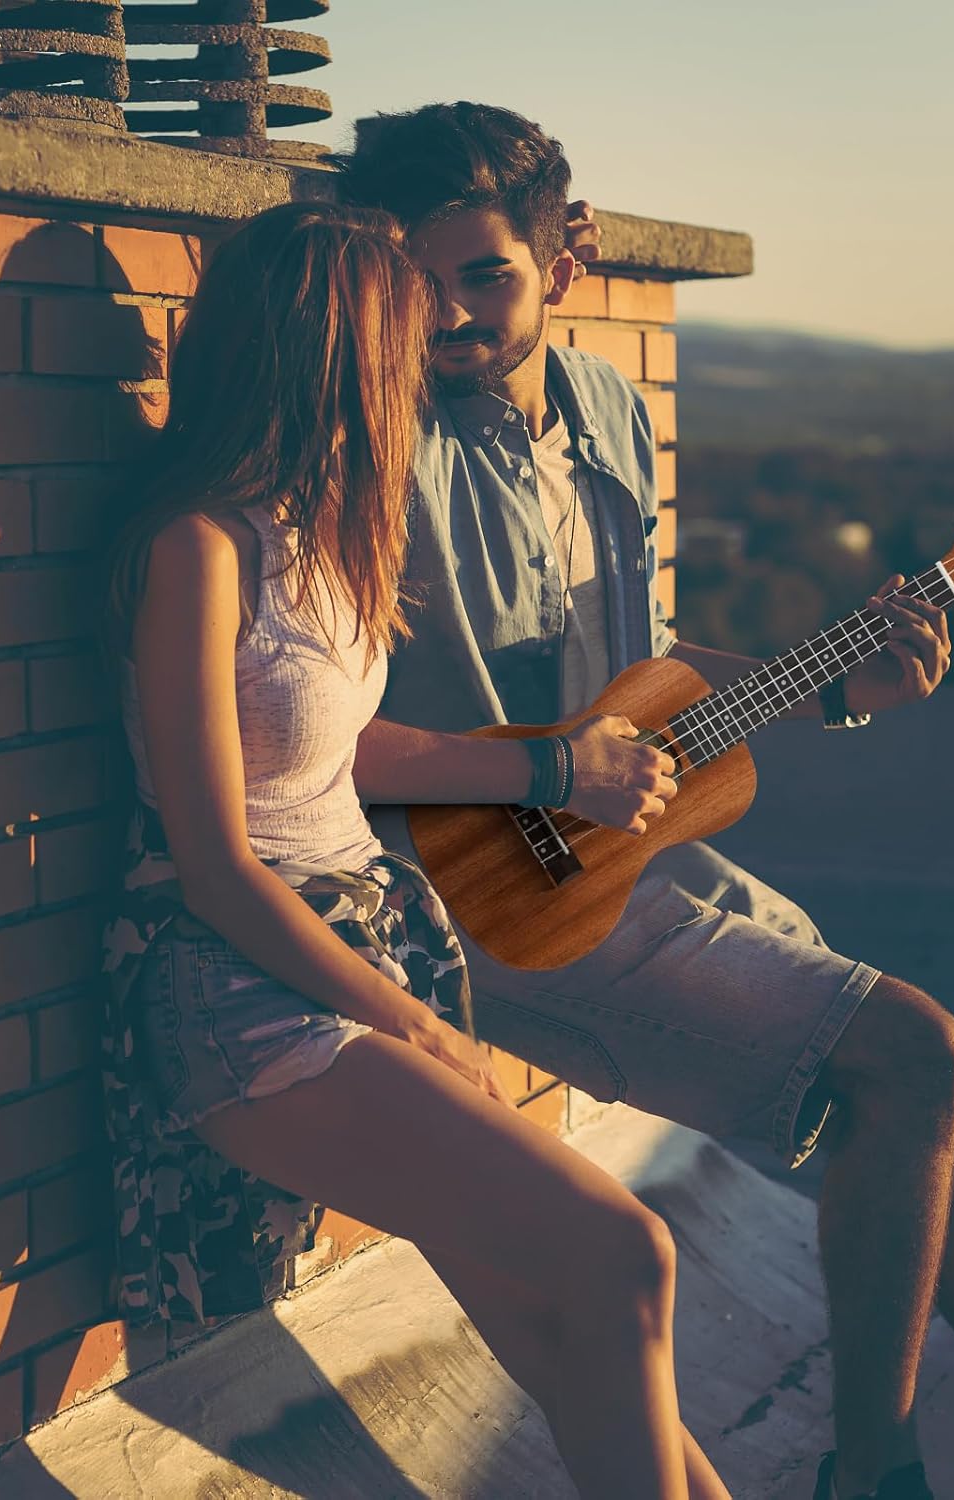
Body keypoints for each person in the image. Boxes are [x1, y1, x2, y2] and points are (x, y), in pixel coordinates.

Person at [331, 103, 954, 1500]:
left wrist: (846, 687)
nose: (447, 315)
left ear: (566, 256)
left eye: (483, 277)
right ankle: (873, 1470)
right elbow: (312, 720)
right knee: (911, 1056)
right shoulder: (364, 436)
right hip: (476, 904)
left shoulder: (611, 416)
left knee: (923, 1109)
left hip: (635, 858)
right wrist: (548, 773)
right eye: (420, 279)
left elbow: (645, 680)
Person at [99, 200, 737, 1500]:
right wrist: (416, 1026)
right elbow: (216, 861)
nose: (428, 360)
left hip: (352, 953)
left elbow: (342, 747)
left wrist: (548, 766)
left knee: (574, 1320)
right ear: (335, 350)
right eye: (406, 336)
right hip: (246, 997)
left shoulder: (313, 530)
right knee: (621, 1257)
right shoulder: (196, 550)